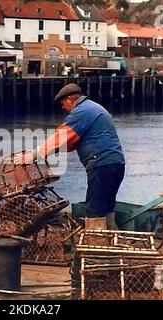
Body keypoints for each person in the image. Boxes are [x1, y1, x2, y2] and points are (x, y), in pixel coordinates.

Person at [26, 83, 125, 230]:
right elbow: (69, 144)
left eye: (63, 103)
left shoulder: (82, 111)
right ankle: (113, 237)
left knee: (95, 208)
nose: (62, 107)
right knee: (107, 204)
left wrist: (34, 154)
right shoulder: (94, 107)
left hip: (100, 164)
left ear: (71, 99)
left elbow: (61, 138)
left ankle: (96, 243)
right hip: (117, 163)